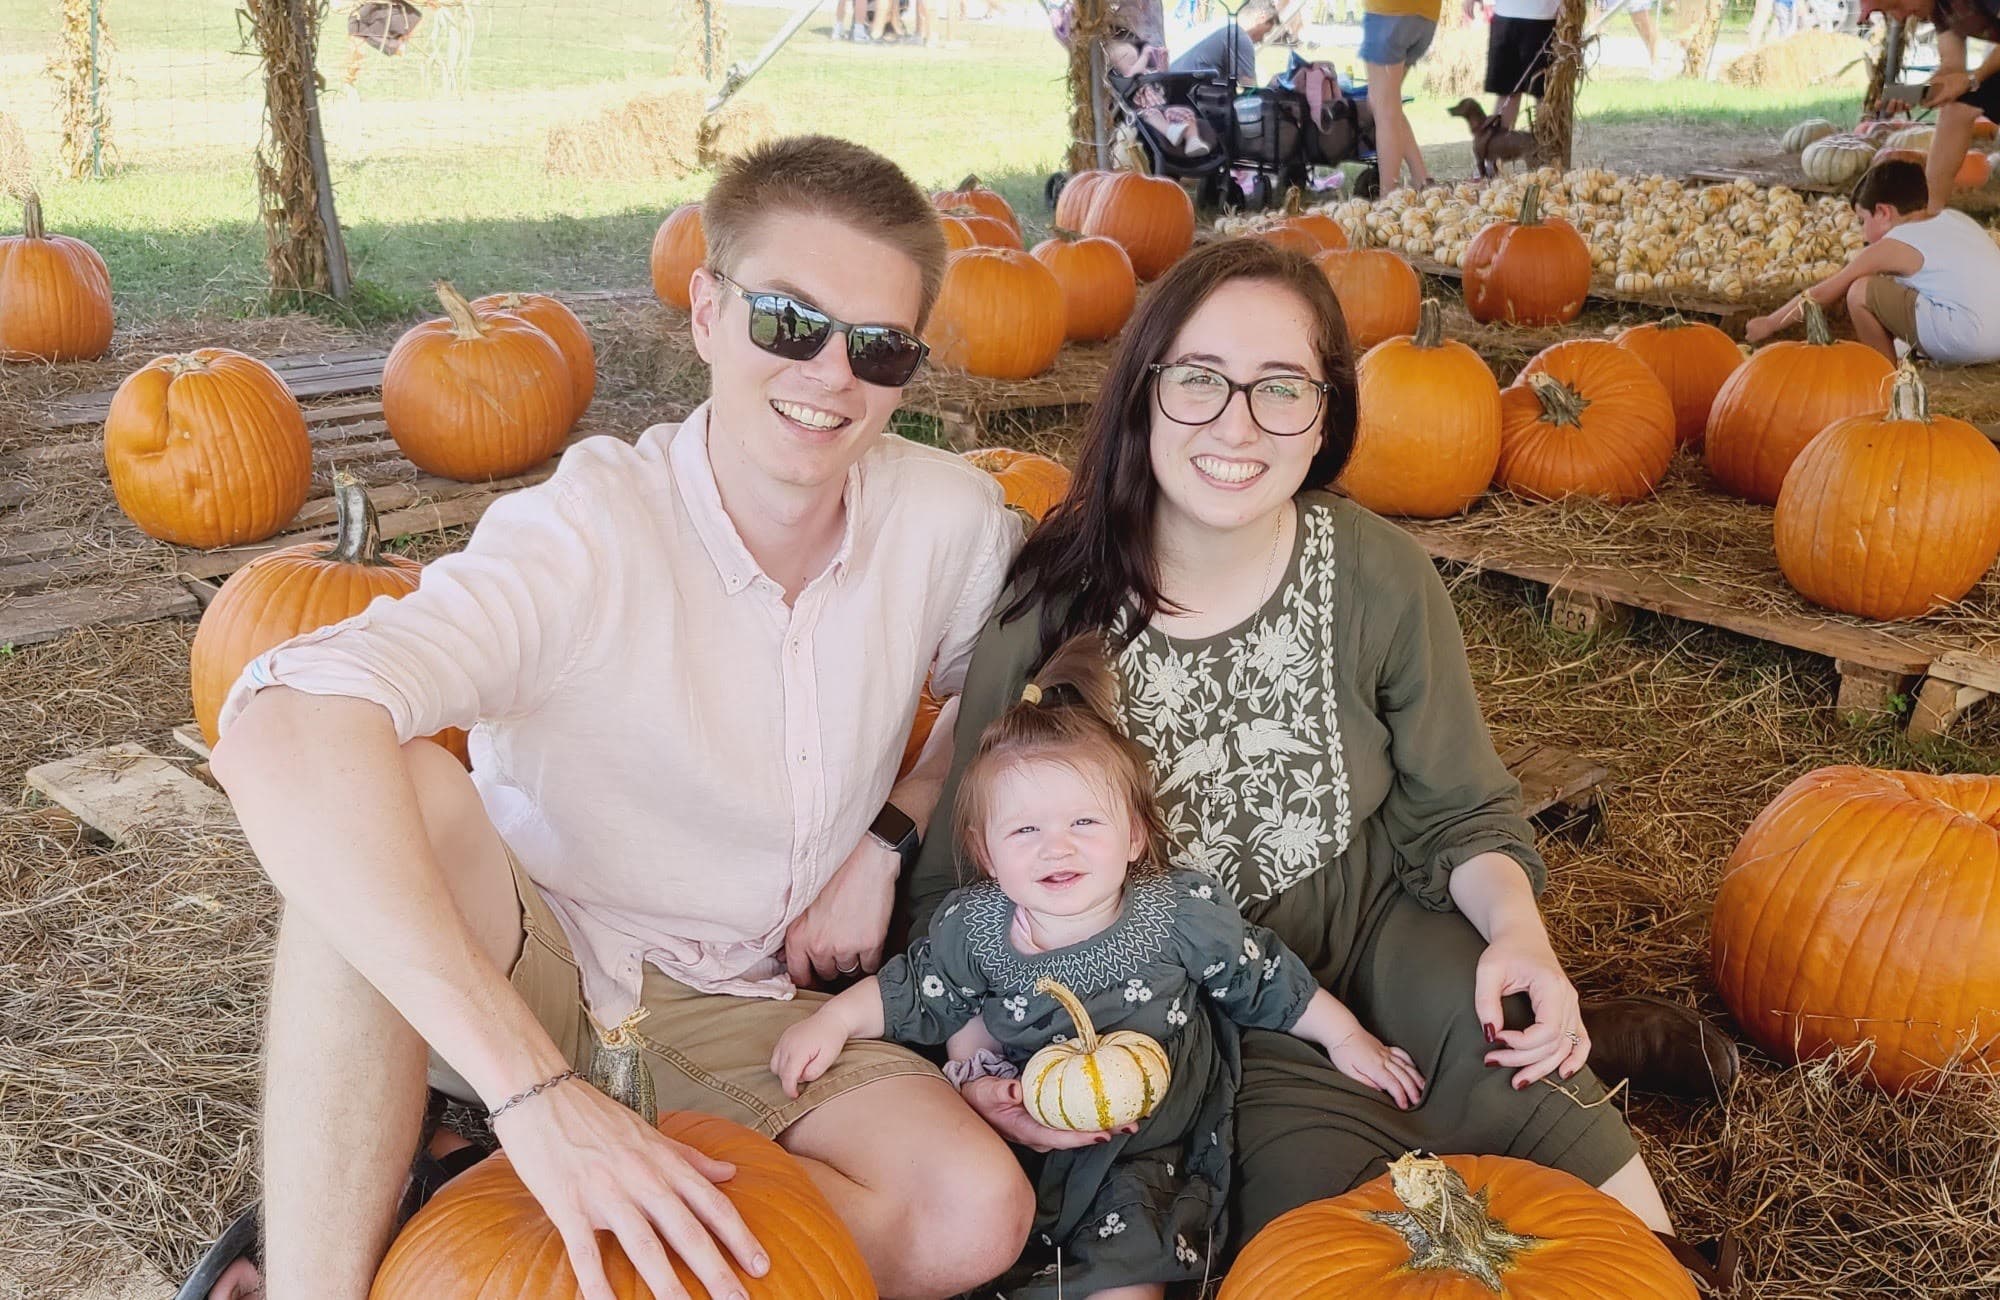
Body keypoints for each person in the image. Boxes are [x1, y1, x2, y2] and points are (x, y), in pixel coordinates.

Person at [189, 134, 1036, 1300]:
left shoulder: (943, 521)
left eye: (878, 348)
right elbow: (278, 723)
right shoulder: (586, 532)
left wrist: (895, 827)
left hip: (745, 1002)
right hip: (533, 959)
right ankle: (328, 1277)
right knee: (398, 801)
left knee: (967, 1216)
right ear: (704, 311)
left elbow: (1022, 684)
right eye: (788, 322)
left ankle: (470, 1180)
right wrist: (540, 1095)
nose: (831, 375)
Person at [901, 238, 1742, 1293]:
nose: (1235, 424)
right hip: (1198, 993)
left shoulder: (1375, 572)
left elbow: (1460, 813)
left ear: (1328, 413)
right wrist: (979, 1039)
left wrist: (1521, 939)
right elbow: (961, 866)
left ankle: (1671, 1255)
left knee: (1519, 1072)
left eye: (1280, 389)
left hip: (1383, 923)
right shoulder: (1054, 600)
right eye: (1199, 378)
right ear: (1144, 391)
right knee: (1324, 1220)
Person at [774, 632, 1426, 1299]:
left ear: (1134, 836)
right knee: (977, 1246)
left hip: (1146, 1141)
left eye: (1084, 823)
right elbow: (917, 990)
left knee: (1125, 1270)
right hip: (1027, 1129)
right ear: (987, 852)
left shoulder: (1177, 914)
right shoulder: (973, 928)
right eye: (1024, 831)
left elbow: (1263, 976)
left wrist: (1348, 1038)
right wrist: (834, 1020)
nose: (1056, 848)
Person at [1744, 159, 2000, 364]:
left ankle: (1885, 375)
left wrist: (1770, 323)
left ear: (1883, 212)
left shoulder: (1896, 242)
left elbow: (1823, 293)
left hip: (1966, 340)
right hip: (1995, 340)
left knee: (1860, 291)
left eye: (1862, 220)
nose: (1862, 232)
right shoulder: (1955, 218)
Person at [1862, 0, 2000, 212]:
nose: (1899, 17)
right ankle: (1929, 215)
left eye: (1896, 5)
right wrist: (1922, 92)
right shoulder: (1939, 8)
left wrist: (1973, 78)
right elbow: (1951, 65)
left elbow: (1967, 79)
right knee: (1957, 105)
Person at [1359, 0, 1438, 191]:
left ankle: (1389, 198)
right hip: (1426, 16)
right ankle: (1423, 181)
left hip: (1389, 12)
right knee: (1384, 102)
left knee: (1384, 109)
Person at [1475, 0, 1559, 129]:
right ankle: (1500, 147)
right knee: (1507, 92)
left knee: (1544, 93)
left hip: (1543, 18)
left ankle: (1547, 147)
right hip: (1506, 16)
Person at [1169, 0, 1280, 83]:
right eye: (1265, 33)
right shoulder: (1239, 35)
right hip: (1187, 97)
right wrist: (1272, 87)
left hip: (1168, 85)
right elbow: (1250, 91)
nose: (1261, 39)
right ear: (1261, 17)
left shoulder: (1217, 24)